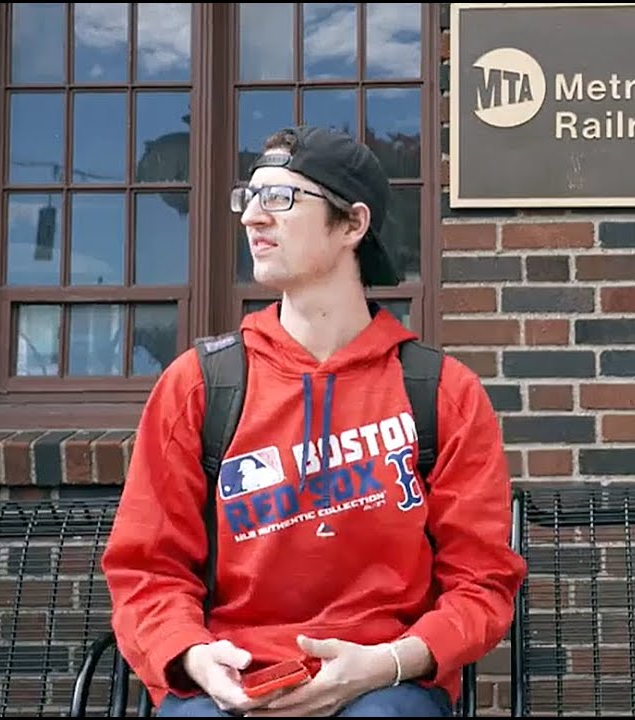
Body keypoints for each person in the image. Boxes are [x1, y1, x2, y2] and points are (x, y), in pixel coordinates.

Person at [101, 125, 527, 717]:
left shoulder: (441, 393)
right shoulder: (200, 385)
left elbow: (480, 582)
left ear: (353, 224)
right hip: (231, 679)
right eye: (248, 198)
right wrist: (194, 657)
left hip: (385, 683)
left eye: (280, 198)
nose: (252, 217)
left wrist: (392, 661)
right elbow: (147, 569)